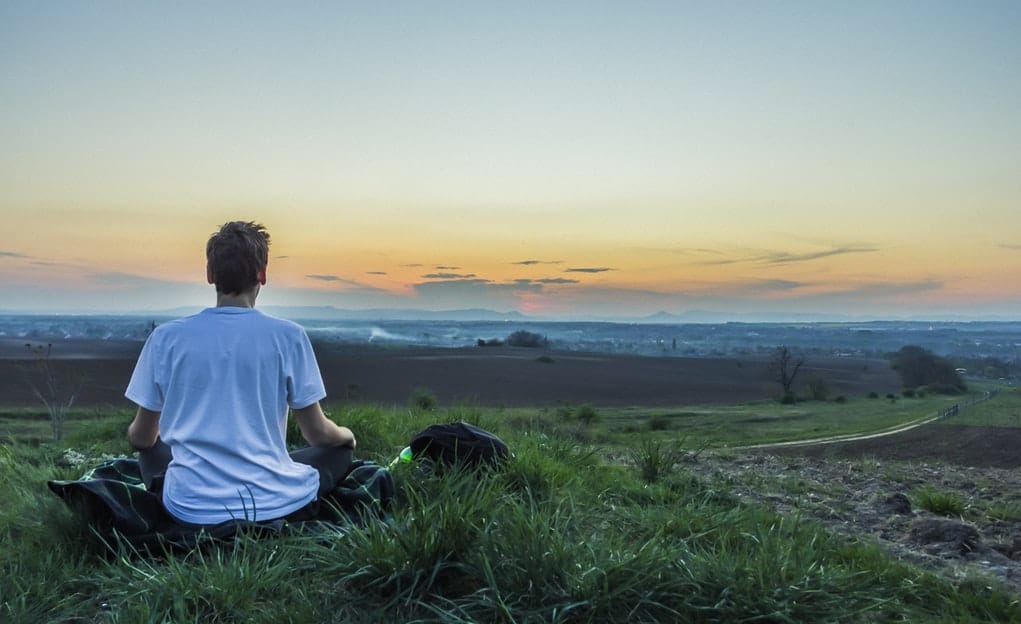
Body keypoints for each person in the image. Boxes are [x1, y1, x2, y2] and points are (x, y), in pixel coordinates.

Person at [125, 221, 355, 525]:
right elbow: (317, 434)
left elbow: (141, 438)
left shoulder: (165, 338)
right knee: (338, 453)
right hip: (273, 503)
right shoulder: (289, 336)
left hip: (189, 507)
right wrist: (347, 436)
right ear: (262, 274)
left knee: (151, 450)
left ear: (210, 275)